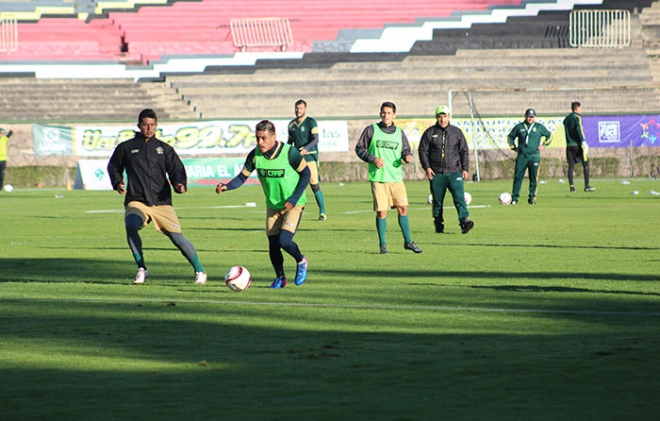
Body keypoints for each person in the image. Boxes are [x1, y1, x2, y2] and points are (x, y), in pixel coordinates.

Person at [107, 109, 207, 285]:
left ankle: (200, 270)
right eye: (145, 125)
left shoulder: (164, 148)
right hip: (137, 200)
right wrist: (117, 182)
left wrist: (179, 183)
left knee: (177, 238)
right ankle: (142, 268)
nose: (149, 128)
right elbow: (113, 166)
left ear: (156, 126)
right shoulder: (126, 147)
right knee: (131, 225)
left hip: (162, 203)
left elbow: (176, 169)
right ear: (139, 126)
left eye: (152, 125)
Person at [216, 120, 310, 289]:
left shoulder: (290, 153)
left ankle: (301, 260)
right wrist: (226, 186)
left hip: (293, 204)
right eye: (257, 138)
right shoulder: (255, 155)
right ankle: (280, 277)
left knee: (285, 241)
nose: (260, 142)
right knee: (273, 245)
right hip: (273, 205)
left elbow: (306, 173)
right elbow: (242, 177)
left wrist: (295, 198)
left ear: (274, 137)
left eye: (263, 138)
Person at [355, 101, 422, 254]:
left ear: (394, 115)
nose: (386, 115)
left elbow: (405, 150)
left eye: (389, 113)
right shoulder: (371, 130)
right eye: (383, 112)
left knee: (403, 208)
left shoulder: (399, 132)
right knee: (382, 212)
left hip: (396, 178)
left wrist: (408, 157)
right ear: (380, 114)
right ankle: (383, 245)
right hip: (378, 178)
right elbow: (359, 148)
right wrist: (373, 159)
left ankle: (408, 242)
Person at [418, 105, 474, 234]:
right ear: (436, 117)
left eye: (445, 116)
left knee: (459, 198)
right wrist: (427, 167)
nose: (442, 119)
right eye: (439, 117)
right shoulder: (430, 132)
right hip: (437, 173)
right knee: (437, 201)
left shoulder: (456, 132)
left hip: (455, 172)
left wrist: (465, 168)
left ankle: (464, 222)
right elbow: (423, 151)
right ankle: (438, 224)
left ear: (449, 117)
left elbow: (464, 151)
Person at [288, 99, 327, 221]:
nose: (298, 110)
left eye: (300, 108)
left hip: (310, 156)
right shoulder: (292, 125)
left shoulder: (311, 122)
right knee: (297, 184)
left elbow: (315, 139)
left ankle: (322, 212)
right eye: (296, 108)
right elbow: (290, 142)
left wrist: (306, 148)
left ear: (305, 109)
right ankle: (299, 209)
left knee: (313, 184)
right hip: (297, 158)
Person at [507, 108, 553, 205]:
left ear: (534, 117)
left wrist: (544, 145)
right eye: (528, 117)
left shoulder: (539, 127)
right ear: (525, 116)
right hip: (522, 156)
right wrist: (514, 147)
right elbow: (510, 137)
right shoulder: (519, 127)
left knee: (533, 178)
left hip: (534, 156)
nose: (530, 119)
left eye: (532, 117)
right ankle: (514, 198)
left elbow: (550, 135)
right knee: (518, 177)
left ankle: (532, 198)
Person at [564, 101, 595, 192]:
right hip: (577, 144)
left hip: (569, 145)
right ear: (576, 109)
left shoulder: (567, 118)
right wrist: (583, 141)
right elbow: (579, 130)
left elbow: (564, 123)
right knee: (585, 163)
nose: (582, 110)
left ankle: (572, 187)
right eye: (581, 108)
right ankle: (587, 186)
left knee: (571, 165)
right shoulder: (577, 117)